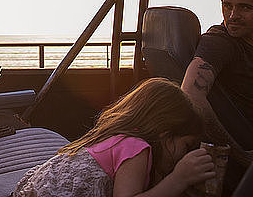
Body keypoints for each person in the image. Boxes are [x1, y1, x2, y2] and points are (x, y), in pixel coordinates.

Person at [13, 78, 215, 197]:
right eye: (186, 146)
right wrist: (178, 179)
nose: (184, 155)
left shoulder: (118, 138)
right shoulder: (136, 149)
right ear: (165, 132)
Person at [181, 0, 253, 189]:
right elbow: (190, 95)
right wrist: (239, 154)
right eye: (227, 5)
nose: (233, 16)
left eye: (245, 8)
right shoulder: (220, 42)